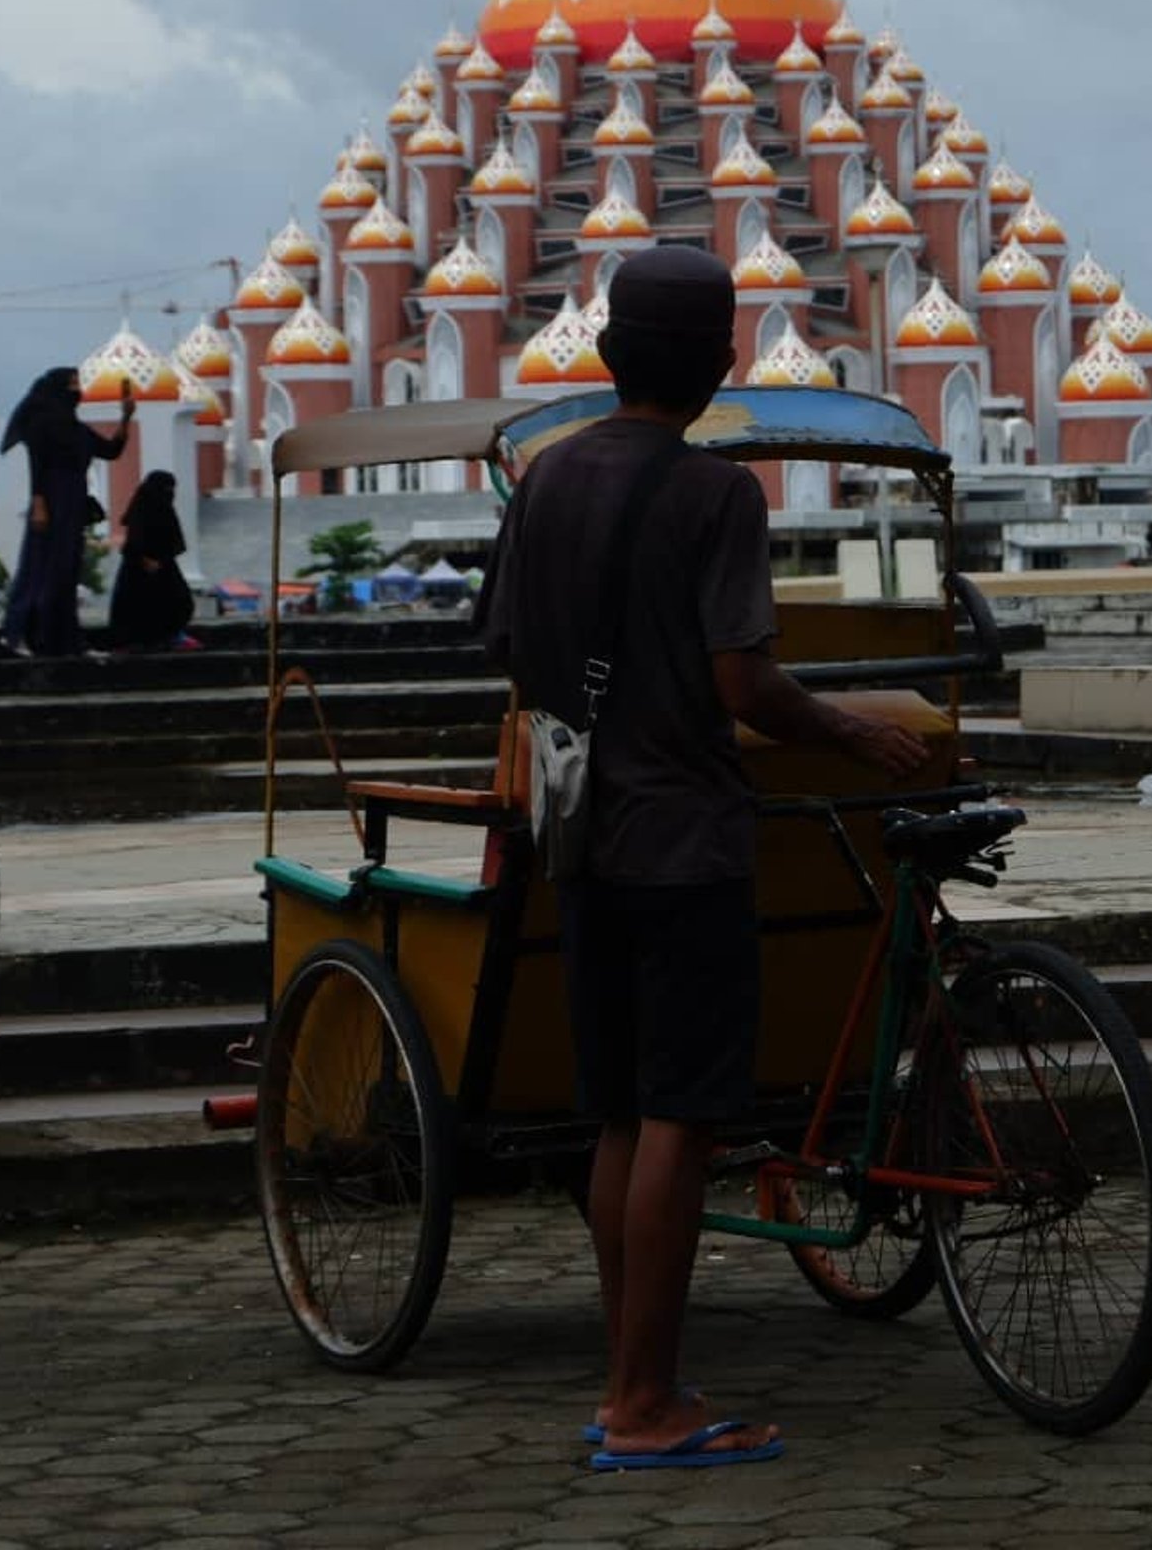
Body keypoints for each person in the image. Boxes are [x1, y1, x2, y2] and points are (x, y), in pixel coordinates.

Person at [478, 246, 927, 1471]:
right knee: (680, 1117)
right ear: (721, 365)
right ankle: (642, 1406)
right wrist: (851, 732)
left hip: (584, 839)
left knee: (620, 1115)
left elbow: (517, 657)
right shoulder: (718, 495)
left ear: (611, 357)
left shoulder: (546, 480)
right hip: (684, 840)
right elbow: (747, 682)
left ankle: (632, 1380)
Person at [0, 367, 132, 657]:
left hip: (73, 501)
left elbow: (110, 451)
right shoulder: (42, 424)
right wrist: (39, 503)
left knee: (65, 570)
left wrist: (126, 417)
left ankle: (62, 638)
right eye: (72, 385)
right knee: (39, 567)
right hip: (51, 499)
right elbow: (38, 465)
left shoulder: (76, 429)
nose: (77, 391)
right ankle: (20, 632)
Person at [108, 470, 198, 652]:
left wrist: (161, 559)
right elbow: (135, 540)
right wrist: (145, 558)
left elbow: (172, 540)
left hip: (162, 565)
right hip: (140, 568)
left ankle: (168, 637)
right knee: (138, 606)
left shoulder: (163, 509)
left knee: (175, 601)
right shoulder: (142, 510)